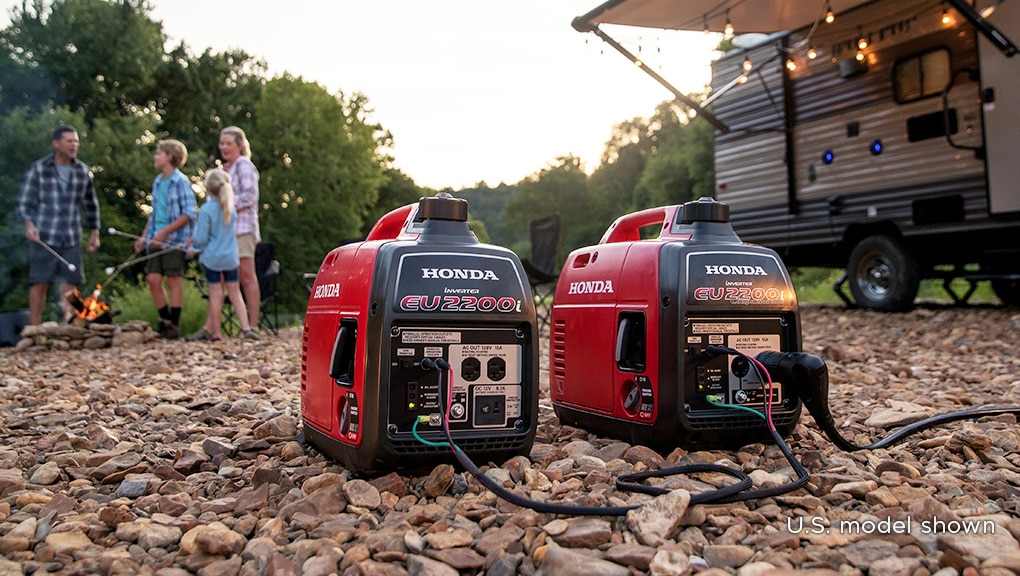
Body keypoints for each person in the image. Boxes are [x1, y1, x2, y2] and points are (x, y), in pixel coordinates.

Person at [16, 125, 101, 325]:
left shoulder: (82, 170)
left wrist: (94, 233)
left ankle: (69, 324)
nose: (74, 145)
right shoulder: (39, 169)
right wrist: (29, 225)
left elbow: (91, 204)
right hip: (44, 235)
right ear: (56, 143)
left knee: (70, 284)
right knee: (40, 282)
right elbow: (23, 204)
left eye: (76, 141)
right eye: (69, 141)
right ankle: (35, 327)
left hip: (71, 236)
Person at [185, 169, 259, 342]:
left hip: (213, 259)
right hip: (231, 257)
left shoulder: (206, 210)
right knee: (235, 293)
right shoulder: (230, 208)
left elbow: (201, 239)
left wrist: (193, 249)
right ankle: (247, 329)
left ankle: (217, 334)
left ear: (208, 188)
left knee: (216, 293)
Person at [134, 139, 197, 339]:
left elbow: (188, 213)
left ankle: (173, 326)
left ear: (169, 157)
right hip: (155, 239)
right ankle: (165, 319)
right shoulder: (158, 181)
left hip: (175, 240)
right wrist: (144, 236)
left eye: (159, 153)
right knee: (153, 279)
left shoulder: (181, 182)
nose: (156, 157)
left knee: (173, 280)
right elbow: (153, 214)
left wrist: (165, 232)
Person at [219, 126, 261, 332]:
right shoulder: (224, 170)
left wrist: (225, 202)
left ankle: (253, 326)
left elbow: (250, 196)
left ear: (240, 145)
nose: (224, 147)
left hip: (243, 228)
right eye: (222, 143)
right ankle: (217, 327)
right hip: (225, 230)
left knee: (246, 275)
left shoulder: (244, 165)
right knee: (224, 277)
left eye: (228, 143)